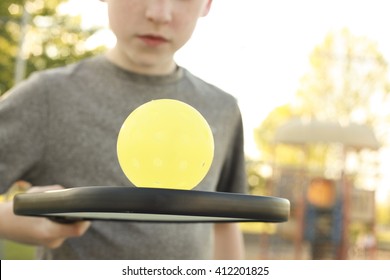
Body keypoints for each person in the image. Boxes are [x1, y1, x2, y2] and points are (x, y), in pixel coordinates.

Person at [0, 0, 247, 259]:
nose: (158, 14)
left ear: (207, 4)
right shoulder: (46, 97)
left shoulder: (223, 108)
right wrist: (9, 218)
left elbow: (225, 223)